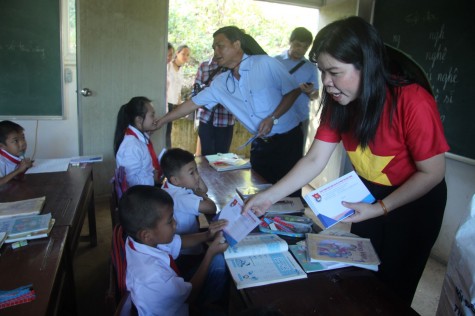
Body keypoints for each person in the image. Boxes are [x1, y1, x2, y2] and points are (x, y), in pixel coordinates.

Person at [243, 16, 449, 306]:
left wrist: (381, 208)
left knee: (394, 286)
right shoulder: (339, 103)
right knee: (365, 274)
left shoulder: (410, 100)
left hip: (413, 201)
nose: (326, 83)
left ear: (366, 67)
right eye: (323, 72)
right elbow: (315, 159)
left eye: (335, 72)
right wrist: (269, 196)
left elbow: (432, 173)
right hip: (369, 195)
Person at [157, 26, 303, 197]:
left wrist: (272, 117)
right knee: (263, 194)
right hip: (260, 146)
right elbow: (191, 104)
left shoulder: (264, 64)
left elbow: (293, 90)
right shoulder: (221, 83)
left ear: (236, 44)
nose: (215, 51)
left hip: (288, 142)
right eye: (213, 48)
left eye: (220, 46)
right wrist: (160, 122)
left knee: (290, 197)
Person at [119, 185, 229, 316]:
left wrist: (207, 235)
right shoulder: (153, 276)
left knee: (218, 262)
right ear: (146, 235)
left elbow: (179, 242)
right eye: (170, 221)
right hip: (182, 303)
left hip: (174, 291)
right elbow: (190, 296)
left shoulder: (140, 240)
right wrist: (209, 253)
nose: (175, 224)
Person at [160, 148, 216, 256]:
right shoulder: (180, 197)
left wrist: (195, 177)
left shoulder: (170, 185)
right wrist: (202, 196)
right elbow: (211, 208)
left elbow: (204, 189)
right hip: (188, 252)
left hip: (187, 243)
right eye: (192, 173)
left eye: (197, 170)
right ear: (175, 180)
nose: (197, 176)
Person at [275, 27, 319, 152]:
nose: (300, 50)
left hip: (299, 119)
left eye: (305, 47)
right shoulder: (275, 61)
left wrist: (310, 91)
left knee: (295, 155)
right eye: (297, 45)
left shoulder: (311, 67)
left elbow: (315, 95)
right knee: (273, 154)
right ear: (290, 41)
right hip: (276, 117)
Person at [113, 96, 163, 187]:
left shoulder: (138, 139)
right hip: (141, 195)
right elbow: (130, 181)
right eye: (152, 115)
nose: (155, 119)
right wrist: (153, 180)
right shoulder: (132, 145)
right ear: (139, 119)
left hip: (145, 189)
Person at [193, 58, 235, 156]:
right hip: (206, 118)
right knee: (206, 157)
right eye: (216, 46)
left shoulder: (233, 67)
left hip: (225, 120)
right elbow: (195, 92)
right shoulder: (204, 66)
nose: (218, 50)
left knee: (222, 158)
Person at [166, 44, 191, 148]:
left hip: (174, 104)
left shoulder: (181, 70)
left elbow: (178, 90)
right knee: (165, 130)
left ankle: (167, 151)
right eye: (183, 53)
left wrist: (179, 104)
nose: (185, 56)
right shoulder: (168, 66)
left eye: (188, 55)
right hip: (166, 103)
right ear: (177, 53)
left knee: (168, 130)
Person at [0, 120, 33, 185]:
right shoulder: (1, 161)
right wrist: (18, 170)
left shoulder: (15, 154)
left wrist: (25, 167)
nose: (23, 143)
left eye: (23, 138)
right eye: (16, 141)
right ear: (2, 146)